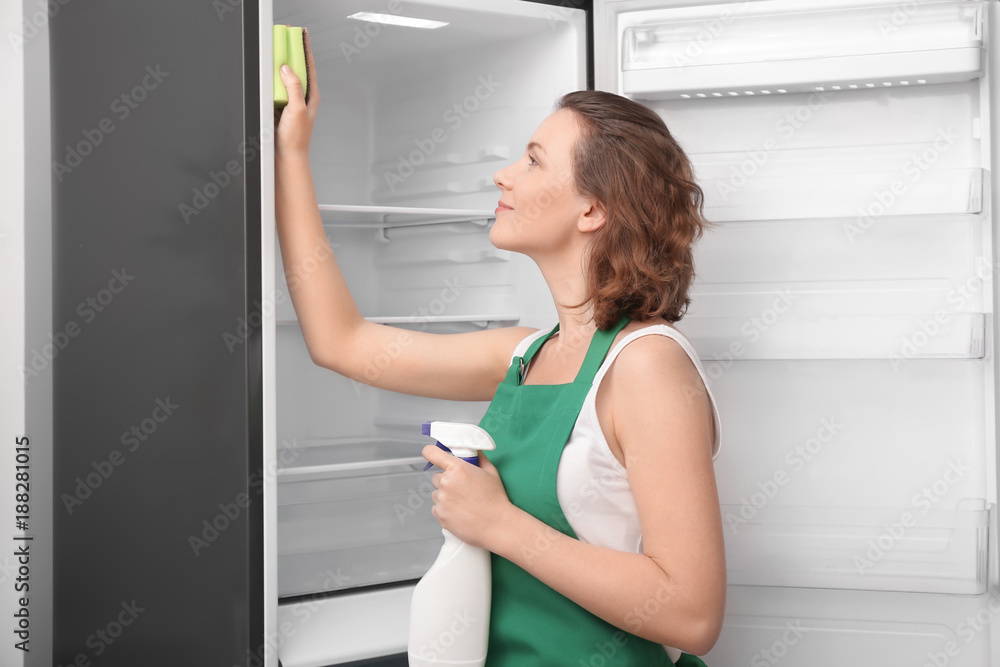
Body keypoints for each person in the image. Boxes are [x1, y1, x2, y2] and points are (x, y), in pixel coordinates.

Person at [275, 28, 725, 667]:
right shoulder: (526, 354)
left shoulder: (647, 366)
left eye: (534, 160)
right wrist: (291, 154)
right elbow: (341, 342)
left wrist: (499, 524)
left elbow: (692, 612)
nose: (502, 173)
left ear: (592, 210)